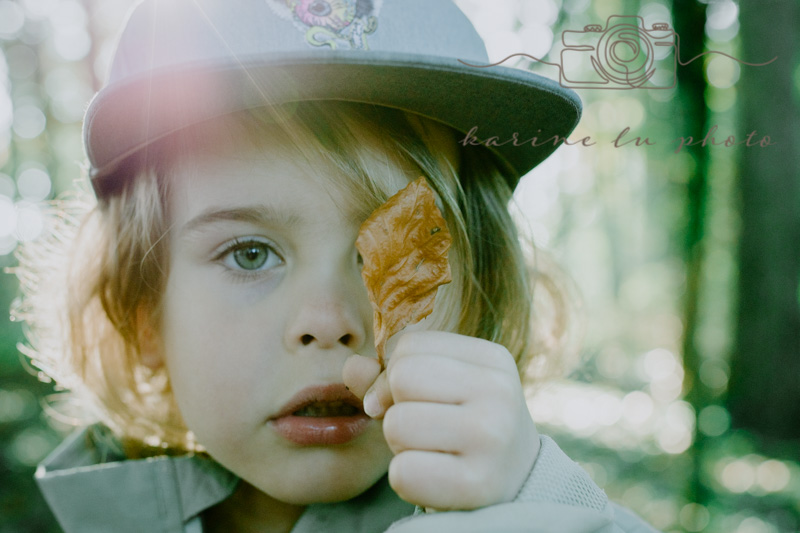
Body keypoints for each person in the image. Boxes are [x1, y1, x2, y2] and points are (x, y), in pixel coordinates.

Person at [14, 0, 661, 531]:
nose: (328, 321)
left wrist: (537, 503)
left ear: (480, 293)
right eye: (250, 253)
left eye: (393, 251)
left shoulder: (537, 513)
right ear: (145, 312)